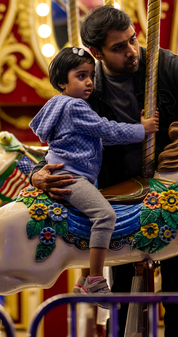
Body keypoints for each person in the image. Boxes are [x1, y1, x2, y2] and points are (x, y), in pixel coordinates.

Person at [29, 6, 178, 336]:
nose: (132, 51)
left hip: (171, 193)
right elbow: (60, 138)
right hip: (122, 195)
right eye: (119, 47)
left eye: (133, 40)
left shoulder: (160, 64)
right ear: (97, 53)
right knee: (123, 298)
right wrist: (38, 172)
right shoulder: (86, 86)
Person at [29, 46, 160, 308]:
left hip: (75, 174)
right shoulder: (75, 107)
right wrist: (141, 129)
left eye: (90, 75)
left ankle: (83, 279)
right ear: (62, 82)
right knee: (105, 216)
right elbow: (106, 130)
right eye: (80, 76)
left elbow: (100, 137)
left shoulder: (61, 105)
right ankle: (96, 280)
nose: (89, 81)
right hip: (71, 177)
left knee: (95, 216)